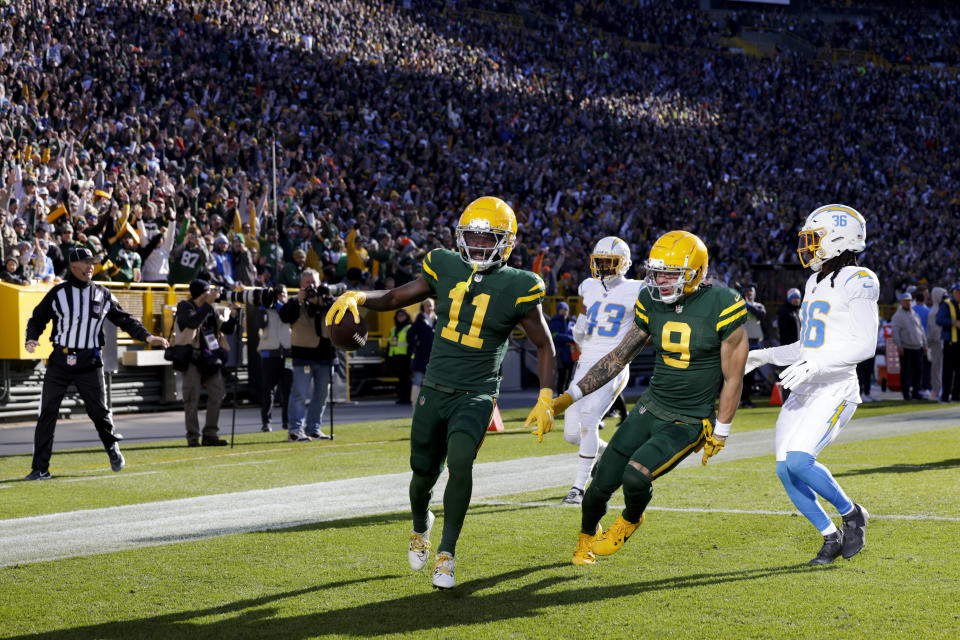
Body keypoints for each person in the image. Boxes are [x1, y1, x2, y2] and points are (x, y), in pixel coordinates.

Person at [326, 196, 555, 589]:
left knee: (461, 462)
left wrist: (547, 394)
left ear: (507, 241)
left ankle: (446, 555)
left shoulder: (521, 285)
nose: (480, 246)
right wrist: (359, 296)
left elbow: (545, 344)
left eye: (489, 239)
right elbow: (396, 298)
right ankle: (421, 524)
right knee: (421, 476)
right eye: (473, 237)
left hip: (477, 392)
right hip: (434, 386)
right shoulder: (444, 263)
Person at [548, 230, 748, 565]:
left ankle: (630, 519)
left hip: (688, 417)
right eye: (656, 272)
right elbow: (617, 358)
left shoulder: (722, 303)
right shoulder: (650, 301)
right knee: (601, 481)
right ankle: (585, 538)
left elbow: (733, 377)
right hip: (650, 406)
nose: (660, 280)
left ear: (696, 272)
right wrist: (568, 398)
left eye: (671, 273)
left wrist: (722, 430)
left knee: (636, 475)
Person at [744, 204, 876, 564]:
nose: (808, 246)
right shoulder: (814, 281)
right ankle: (830, 535)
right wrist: (764, 355)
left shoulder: (859, 278)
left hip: (835, 387)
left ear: (838, 239)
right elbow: (809, 345)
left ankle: (852, 515)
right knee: (785, 468)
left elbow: (865, 345)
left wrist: (815, 363)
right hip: (806, 385)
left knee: (801, 461)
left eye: (814, 238)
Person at [23, 247, 169, 479]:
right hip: (60, 360)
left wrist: (147, 336)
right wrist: (31, 338)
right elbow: (38, 317)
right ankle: (40, 468)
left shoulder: (103, 294)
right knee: (47, 413)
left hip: (89, 360)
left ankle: (112, 448)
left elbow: (124, 318)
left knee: (99, 412)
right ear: (73, 266)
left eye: (93, 262)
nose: (91, 266)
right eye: (86, 262)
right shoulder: (58, 293)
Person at [559, 236, 643, 505]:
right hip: (585, 363)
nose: (604, 267)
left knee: (588, 420)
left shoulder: (638, 288)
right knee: (571, 433)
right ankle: (608, 455)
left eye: (610, 261)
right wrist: (580, 330)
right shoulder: (588, 286)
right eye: (600, 261)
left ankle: (578, 488)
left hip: (613, 365)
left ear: (624, 263)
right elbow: (583, 317)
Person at [279, 268, 345, 441]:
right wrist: (299, 300)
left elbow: (340, 315)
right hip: (303, 355)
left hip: (326, 355)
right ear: (301, 284)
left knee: (322, 395)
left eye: (314, 282)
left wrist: (323, 300)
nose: (311, 286)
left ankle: (314, 428)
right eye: (307, 282)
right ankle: (295, 430)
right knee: (300, 394)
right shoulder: (295, 301)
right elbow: (285, 317)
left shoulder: (327, 299)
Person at [174, 279, 237, 447]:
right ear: (201, 293)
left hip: (209, 359)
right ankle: (193, 437)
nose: (212, 294)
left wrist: (233, 317)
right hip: (192, 359)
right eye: (208, 291)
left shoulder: (211, 309)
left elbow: (225, 330)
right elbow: (193, 322)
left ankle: (210, 434)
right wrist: (208, 305)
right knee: (191, 398)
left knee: (218, 393)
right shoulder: (184, 307)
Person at [257, 285, 292, 432]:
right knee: (268, 390)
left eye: (283, 294)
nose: (280, 297)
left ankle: (287, 422)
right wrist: (263, 305)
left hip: (288, 353)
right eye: (277, 294)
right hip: (270, 353)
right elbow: (260, 324)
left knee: (288, 390)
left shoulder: (290, 308)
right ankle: (266, 422)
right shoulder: (265, 309)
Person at [891, 292, 926, 400]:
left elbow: (921, 329)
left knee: (918, 371)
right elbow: (895, 332)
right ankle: (906, 394)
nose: (908, 303)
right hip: (906, 347)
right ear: (901, 302)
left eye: (909, 300)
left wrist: (924, 344)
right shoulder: (898, 316)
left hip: (917, 346)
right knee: (906, 372)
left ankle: (916, 392)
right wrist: (899, 345)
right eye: (906, 301)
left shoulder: (914, 314)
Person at [740, 284, 766, 408]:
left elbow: (761, 315)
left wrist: (748, 305)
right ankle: (741, 399)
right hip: (742, 345)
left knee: (750, 376)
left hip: (754, 345)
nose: (749, 293)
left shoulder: (759, 306)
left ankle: (746, 399)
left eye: (751, 291)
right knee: (741, 375)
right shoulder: (740, 308)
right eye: (747, 291)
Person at [408, 298, 437, 405]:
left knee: (434, 383)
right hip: (420, 357)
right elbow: (409, 336)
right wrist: (418, 344)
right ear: (423, 307)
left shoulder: (437, 320)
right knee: (417, 381)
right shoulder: (418, 320)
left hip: (434, 358)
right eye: (427, 305)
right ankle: (415, 403)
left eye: (431, 305)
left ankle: (430, 405)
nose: (429, 307)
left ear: (434, 307)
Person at [776, 288, 803, 401]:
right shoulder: (784, 311)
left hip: (798, 349)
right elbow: (784, 332)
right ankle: (787, 401)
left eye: (798, 298)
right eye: (794, 298)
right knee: (788, 376)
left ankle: (796, 399)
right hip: (788, 349)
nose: (796, 300)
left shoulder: (799, 311)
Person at [935, 283, 960, 402]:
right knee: (948, 371)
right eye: (957, 292)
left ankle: (956, 395)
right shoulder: (947, 304)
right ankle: (945, 395)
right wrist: (953, 322)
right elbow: (939, 320)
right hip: (950, 341)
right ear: (953, 292)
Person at [387, 308, 413, 405]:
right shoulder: (393, 329)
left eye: (402, 315)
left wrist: (409, 357)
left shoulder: (410, 327)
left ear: (407, 317)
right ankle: (402, 398)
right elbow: (390, 345)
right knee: (400, 379)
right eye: (399, 316)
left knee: (406, 379)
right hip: (395, 358)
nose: (400, 317)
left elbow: (411, 345)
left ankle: (408, 398)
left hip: (406, 357)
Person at [549, 301, 576, 395]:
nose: (564, 311)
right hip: (560, 352)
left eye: (565, 309)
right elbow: (555, 336)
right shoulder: (554, 321)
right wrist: (570, 338)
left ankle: (566, 396)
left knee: (570, 376)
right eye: (561, 309)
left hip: (571, 353)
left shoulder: (571, 322)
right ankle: (560, 395)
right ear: (558, 311)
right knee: (562, 376)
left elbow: (576, 334)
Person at [926, 286, 946, 402]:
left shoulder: (939, 309)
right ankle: (937, 390)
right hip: (937, 343)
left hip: (941, 342)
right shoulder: (934, 311)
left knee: (940, 368)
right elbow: (933, 330)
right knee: (937, 369)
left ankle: (940, 390)